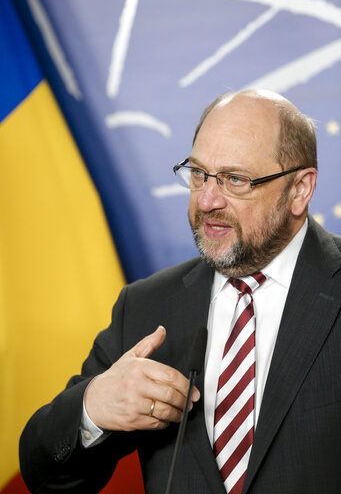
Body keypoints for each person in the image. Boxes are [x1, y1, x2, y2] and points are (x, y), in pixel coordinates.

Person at [19, 89, 341, 494]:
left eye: (235, 179)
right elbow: (45, 475)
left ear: (299, 190)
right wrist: (93, 409)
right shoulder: (146, 307)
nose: (207, 200)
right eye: (198, 174)